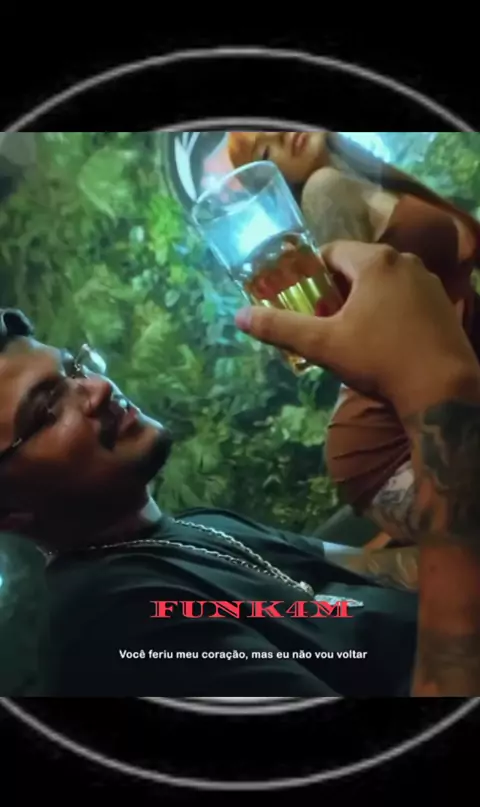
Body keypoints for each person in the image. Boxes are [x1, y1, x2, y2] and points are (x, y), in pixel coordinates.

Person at [1, 239, 479, 698]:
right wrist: (437, 391)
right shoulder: (109, 632)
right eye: (47, 410)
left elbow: (389, 570)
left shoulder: (201, 527)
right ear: (10, 511)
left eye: (74, 370)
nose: (98, 388)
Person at [227, 131, 480, 545]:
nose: (279, 134)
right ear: (270, 182)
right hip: (390, 440)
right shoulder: (324, 191)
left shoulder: (359, 172)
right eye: (265, 149)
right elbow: (374, 339)